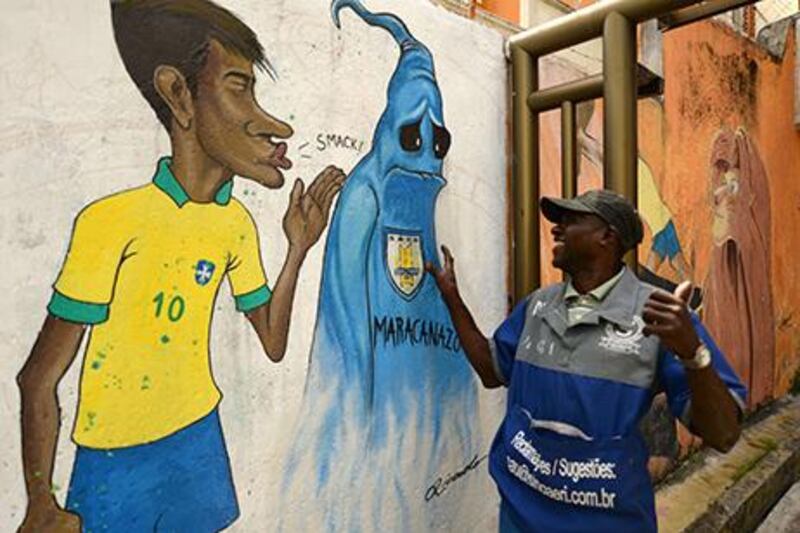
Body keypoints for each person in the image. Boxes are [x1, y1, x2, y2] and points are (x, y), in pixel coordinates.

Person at [16, 1, 344, 532]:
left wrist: (298, 249)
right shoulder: (111, 222)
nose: (265, 119)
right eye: (239, 87)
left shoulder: (235, 223)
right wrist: (39, 501)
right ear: (178, 95)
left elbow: (274, 341)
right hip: (114, 459)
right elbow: (39, 378)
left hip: (198, 439)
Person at [427, 189, 746, 532]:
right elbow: (492, 371)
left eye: (571, 220)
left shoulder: (659, 314)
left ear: (607, 236)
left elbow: (724, 434)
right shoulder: (538, 306)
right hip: (520, 520)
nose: (556, 229)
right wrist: (452, 299)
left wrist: (691, 352)